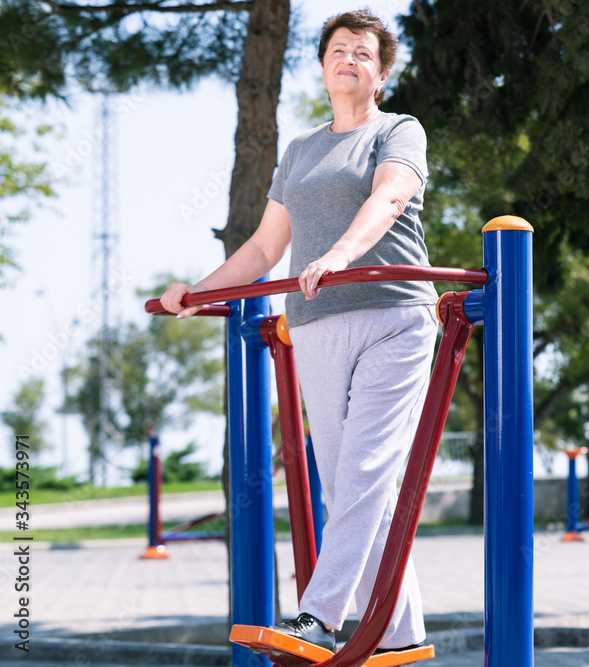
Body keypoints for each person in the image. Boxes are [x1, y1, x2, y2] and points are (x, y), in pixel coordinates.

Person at [159, 9, 437, 656]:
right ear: (321, 67)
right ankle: (403, 640)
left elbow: (390, 198)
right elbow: (262, 247)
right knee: (349, 486)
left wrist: (341, 253)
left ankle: (318, 615)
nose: (349, 60)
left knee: (366, 470)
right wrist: (198, 292)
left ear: (382, 73)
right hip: (316, 324)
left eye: (363, 54)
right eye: (338, 50)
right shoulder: (301, 151)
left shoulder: (399, 130)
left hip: (393, 315)